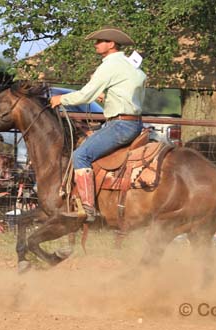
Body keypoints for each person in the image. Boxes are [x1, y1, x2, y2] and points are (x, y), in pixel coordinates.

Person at [50, 26, 146, 222]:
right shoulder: (131, 67)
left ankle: (88, 208)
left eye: (100, 41)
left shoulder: (109, 65)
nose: (96, 45)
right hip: (134, 123)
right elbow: (126, 96)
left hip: (119, 126)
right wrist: (106, 97)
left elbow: (85, 95)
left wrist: (61, 99)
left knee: (80, 155)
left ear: (111, 44)